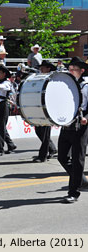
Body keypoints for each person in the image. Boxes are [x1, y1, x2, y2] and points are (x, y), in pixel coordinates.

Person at [57, 57, 88, 203]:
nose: (70, 71)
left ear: (81, 71)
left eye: (73, 69)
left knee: (78, 160)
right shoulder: (66, 85)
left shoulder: (86, 85)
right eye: (69, 69)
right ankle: (80, 180)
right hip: (67, 125)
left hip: (80, 126)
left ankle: (73, 192)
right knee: (62, 157)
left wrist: (86, 118)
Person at [33, 60, 58, 162]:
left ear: (48, 68)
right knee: (38, 130)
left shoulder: (52, 79)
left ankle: (42, 156)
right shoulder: (40, 78)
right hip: (40, 107)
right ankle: (52, 149)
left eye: (43, 67)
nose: (41, 69)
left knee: (45, 133)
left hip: (48, 108)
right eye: (40, 67)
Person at [0, 65, 17, 156]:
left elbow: (1, 87)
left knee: (1, 127)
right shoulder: (0, 82)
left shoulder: (7, 83)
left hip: (3, 105)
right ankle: (11, 145)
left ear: (4, 74)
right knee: (0, 127)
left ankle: (0, 148)